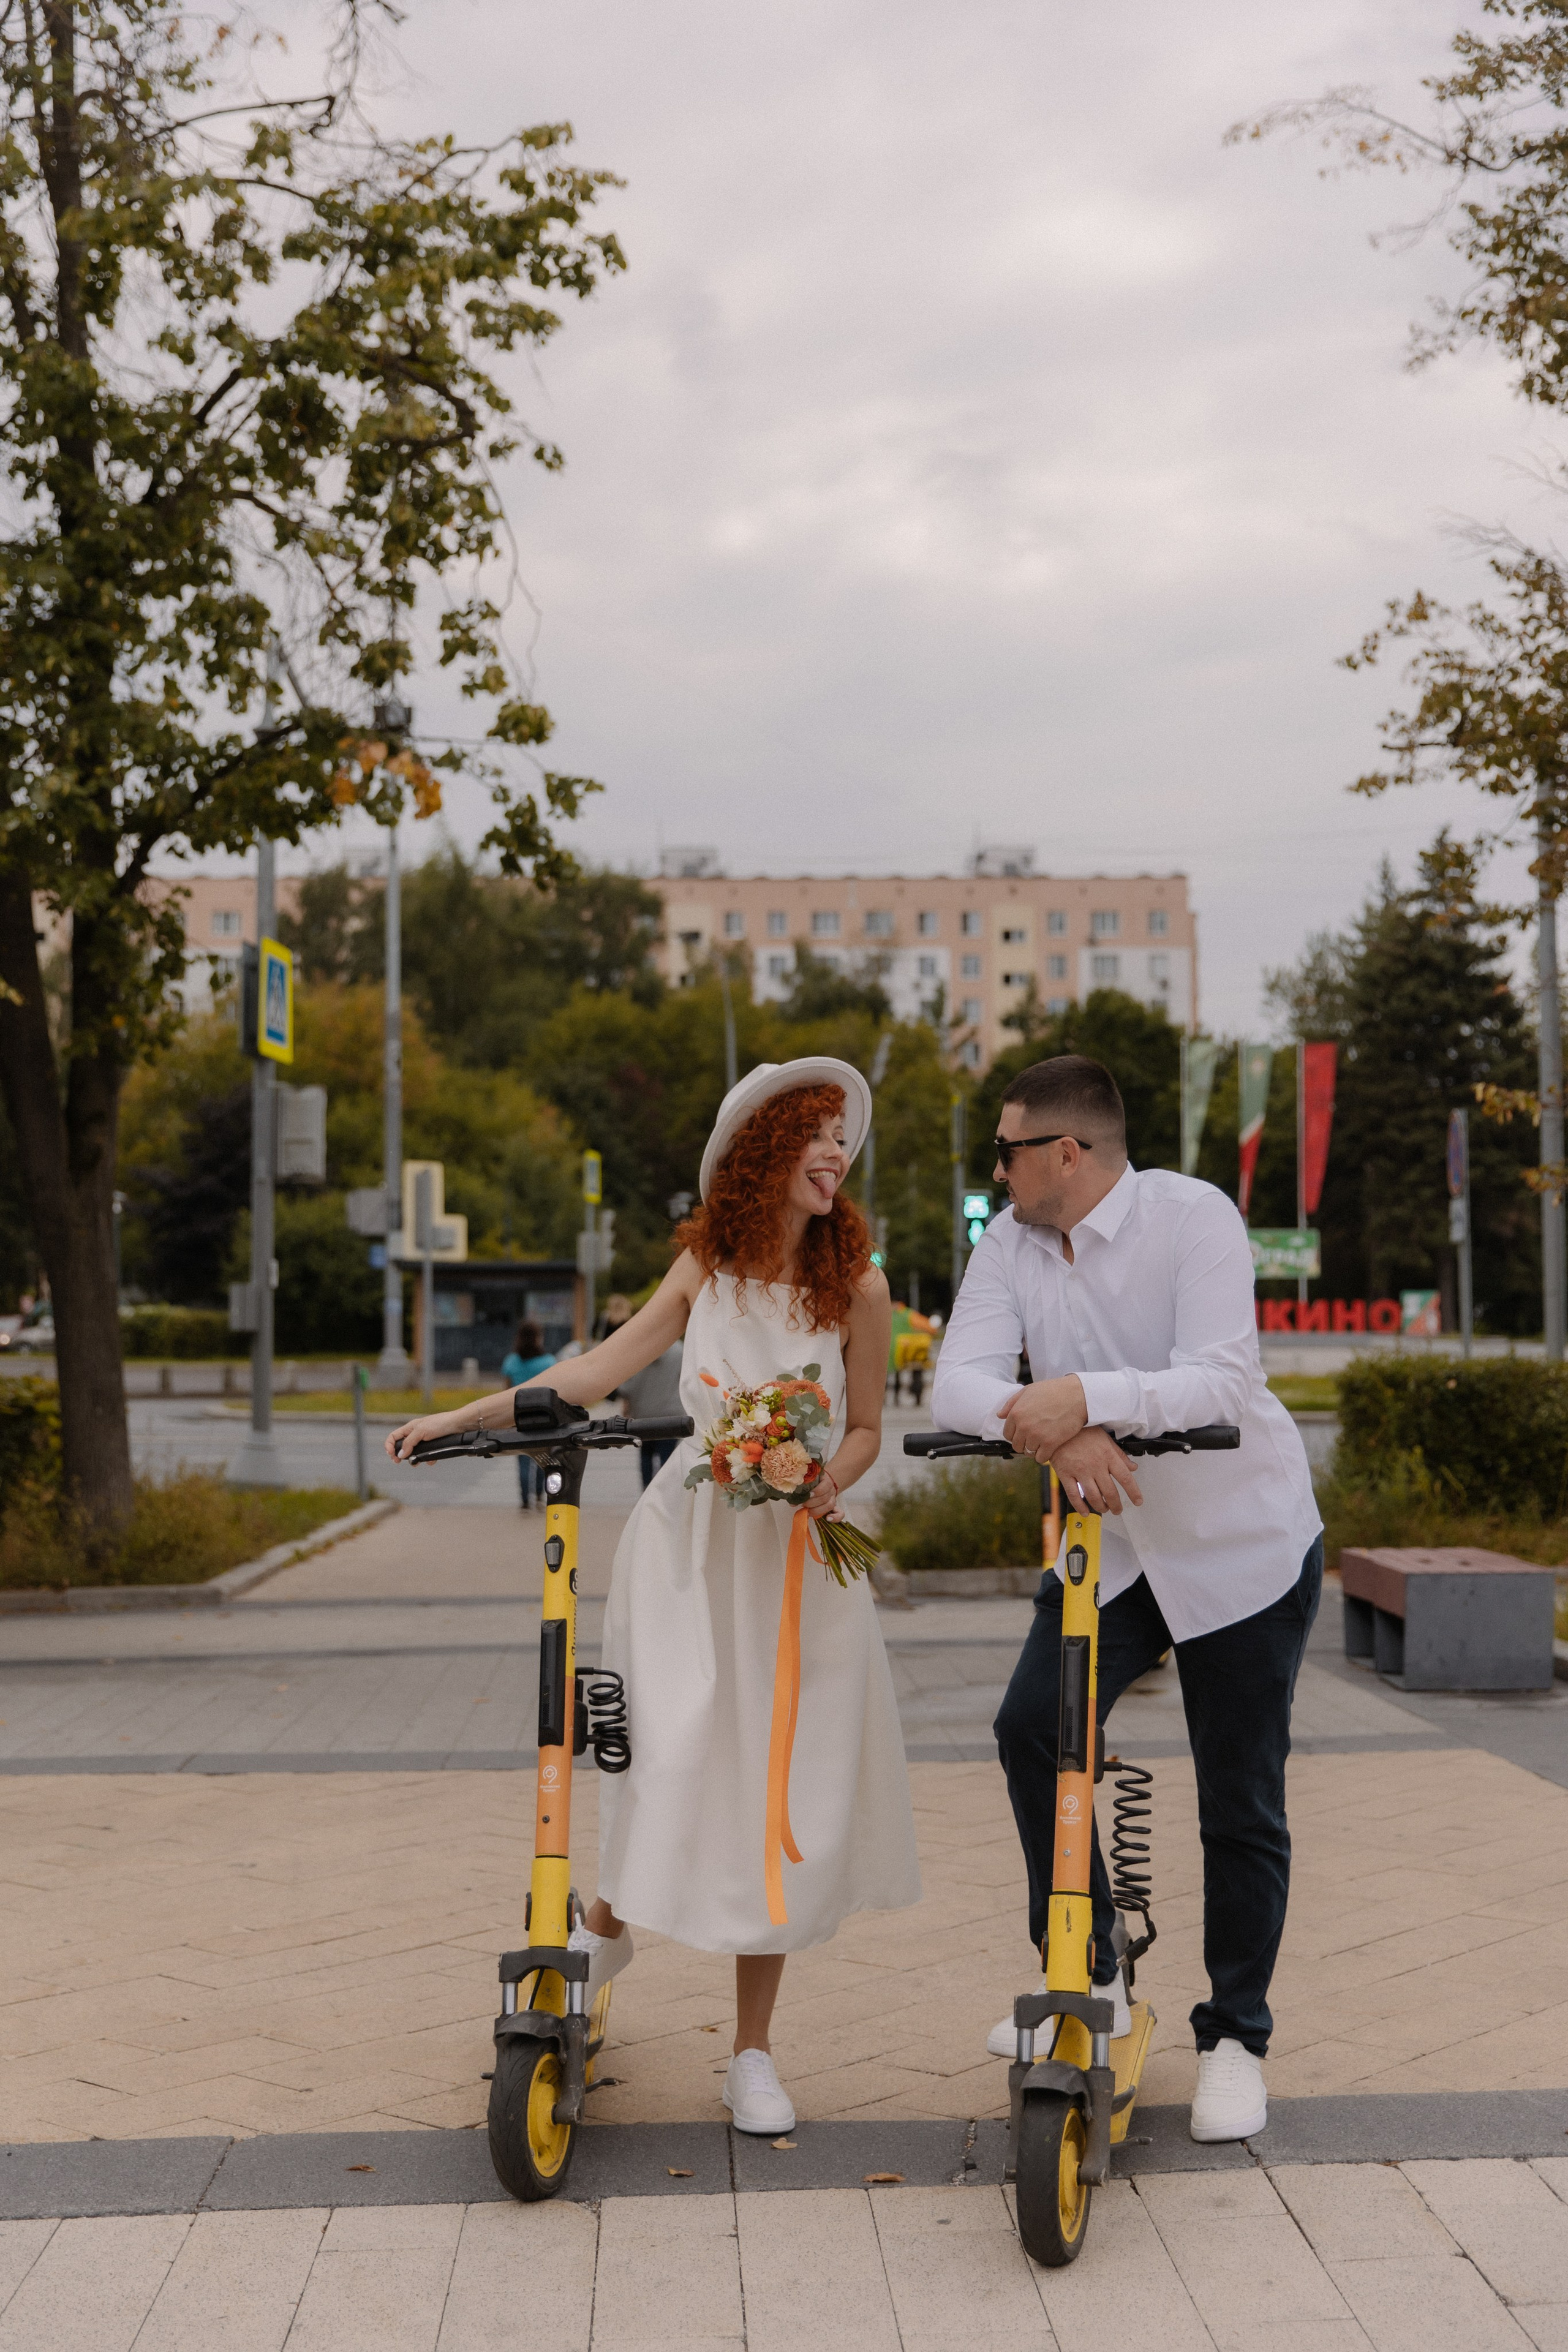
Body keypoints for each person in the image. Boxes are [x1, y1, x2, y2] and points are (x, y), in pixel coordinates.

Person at [386, 1058, 920, 2135]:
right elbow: (594, 1372)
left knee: (778, 1793)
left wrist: (826, 1478)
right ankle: (608, 1922)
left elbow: (866, 1428)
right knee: (666, 1747)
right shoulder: (704, 1267)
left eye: (842, 1139)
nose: (835, 1155)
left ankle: (753, 2054)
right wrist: (463, 1418)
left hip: (793, 1561)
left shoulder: (858, 1287)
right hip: (689, 1548)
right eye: (816, 1134)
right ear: (763, 1149)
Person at [931, 1053, 1322, 2146]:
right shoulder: (1010, 1243)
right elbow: (955, 1383)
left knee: (1240, 1802)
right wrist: (1065, 1432)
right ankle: (1089, 1972)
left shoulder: (1194, 1218)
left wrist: (1085, 1397)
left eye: (1006, 1150)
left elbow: (1221, 1379)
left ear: (1066, 1152)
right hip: (1116, 1554)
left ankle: (1236, 2039)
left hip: (1242, 1550)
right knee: (1030, 1729)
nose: (995, 1171)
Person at [500, 1318, 555, 1510]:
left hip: (520, 1416)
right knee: (543, 1458)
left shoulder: (511, 1361)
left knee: (523, 1458)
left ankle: (524, 1500)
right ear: (538, 1338)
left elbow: (506, 1391)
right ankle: (540, 1495)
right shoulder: (548, 1362)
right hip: (544, 1416)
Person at [614, 1337, 685, 1487]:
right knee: (668, 1457)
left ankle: (647, 1489)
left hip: (643, 1415)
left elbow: (627, 1387)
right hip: (671, 1416)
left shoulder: (639, 1353)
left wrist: (627, 1407)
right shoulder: (680, 1351)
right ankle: (666, 1491)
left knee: (646, 1454)